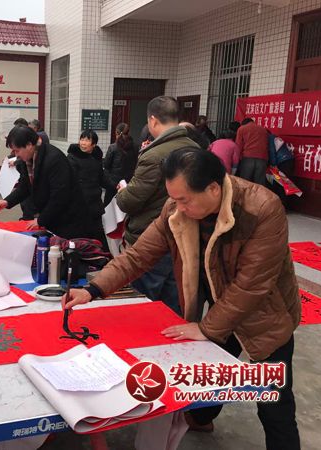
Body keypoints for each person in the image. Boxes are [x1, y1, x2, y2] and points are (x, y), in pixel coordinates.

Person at [65, 148, 301, 450]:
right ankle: (202, 419)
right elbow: (138, 256)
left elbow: (252, 286)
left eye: (184, 200)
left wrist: (205, 328)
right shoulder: (176, 210)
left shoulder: (263, 208)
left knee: (274, 403)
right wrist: (93, 289)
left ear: (213, 188)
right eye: (174, 199)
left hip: (267, 315)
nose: (178, 207)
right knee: (208, 376)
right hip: (221, 308)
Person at [117, 96, 200, 315]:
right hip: (185, 236)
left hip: (151, 237)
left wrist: (122, 193)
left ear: (153, 120)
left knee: (143, 305)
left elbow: (130, 200)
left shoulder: (154, 155)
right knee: (174, 302)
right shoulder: (196, 149)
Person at [0, 126, 101, 240]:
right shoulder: (28, 159)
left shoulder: (54, 159)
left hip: (70, 221)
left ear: (29, 145)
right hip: (53, 218)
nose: (16, 155)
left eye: (17, 150)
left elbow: (59, 197)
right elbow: (25, 186)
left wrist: (41, 220)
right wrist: (7, 201)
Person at [67, 130, 108, 247]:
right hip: (79, 204)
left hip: (95, 203)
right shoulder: (72, 157)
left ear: (94, 144)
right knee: (80, 236)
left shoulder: (97, 158)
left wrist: (115, 185)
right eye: (82, 139)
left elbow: (102, 178)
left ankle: (101, 255)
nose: (83, 143)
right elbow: (70, 181)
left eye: (87, 140)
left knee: (97, 234)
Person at [103, 122, 139, 206]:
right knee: (125, 206)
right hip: (129, 182)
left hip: (113, 183)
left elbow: (106, 165)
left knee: (109, 206)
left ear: (116, 133)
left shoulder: (113, 147)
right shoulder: (135, 146)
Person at [236, 118, 269, 186]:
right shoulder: (263, 130)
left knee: (245, 183)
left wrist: (239, 158)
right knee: (259, 185)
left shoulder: (241, 129)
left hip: (247, 158)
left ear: (243, 124)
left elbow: (238, 145)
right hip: (262, 159)